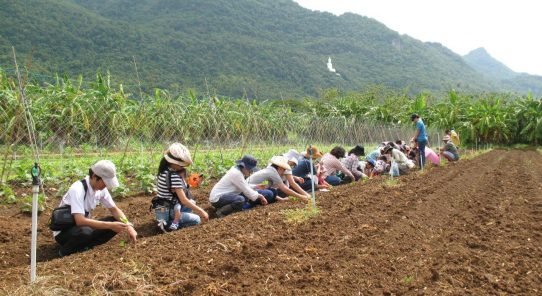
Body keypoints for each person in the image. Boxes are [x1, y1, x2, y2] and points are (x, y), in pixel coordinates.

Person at [54, 160, 137, 257]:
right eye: (104, 182)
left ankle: (86, 247)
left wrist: (128, 225)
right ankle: (65, 252)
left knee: (116, 221)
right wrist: (110, 225)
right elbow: (80, 221)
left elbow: (115, 210)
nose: (106, 185)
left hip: (80, 227)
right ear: (94, 177)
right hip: (64, 231)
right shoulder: (78, 189)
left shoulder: (101, 190)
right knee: (86, 231)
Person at [151, 143, 209, 232]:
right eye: (182, 165)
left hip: (162, 208)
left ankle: (169, 220)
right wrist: (202, 211)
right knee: (197, 219)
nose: (183, 168)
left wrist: (191, 184)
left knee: (192, 202)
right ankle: (168, 225)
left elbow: (178, 189)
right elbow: (183, 200)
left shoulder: (163, 171)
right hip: (170, 210)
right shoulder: (174, 176)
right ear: (174, 163)